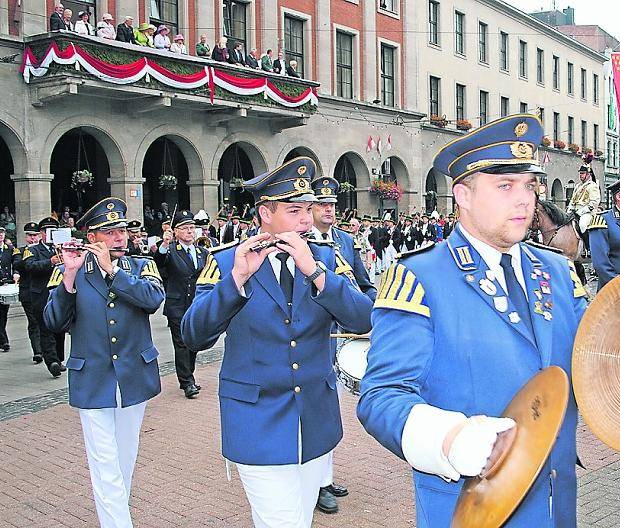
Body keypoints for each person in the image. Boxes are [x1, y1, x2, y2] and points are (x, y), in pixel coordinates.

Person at [358, 114, 588, 527]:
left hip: (556, 505)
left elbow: (593, 355)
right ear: (462, 195)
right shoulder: (421, 276)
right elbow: (381, 396)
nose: (524, 200)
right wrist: (448, 438)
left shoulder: (556, 270)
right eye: (505, 186)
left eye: (529, 185)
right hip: (472, 505)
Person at [182, 157, 373, 528]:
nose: (307, 220)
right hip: (256, 419)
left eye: (309, 209)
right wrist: (236, 280)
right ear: (264, 213)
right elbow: (193, 334)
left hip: (314, 417)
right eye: (295, 210)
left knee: (299, 519)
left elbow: (364, 318)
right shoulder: (226, 262)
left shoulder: (325, 260)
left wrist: (316, 274)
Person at [44, 198, 165, 528]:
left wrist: (112, 273)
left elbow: (152, 300)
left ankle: (116, 515)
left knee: (125, 454)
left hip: (133, 375)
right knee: (104, 460)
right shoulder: (69, 270)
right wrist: (68, 277)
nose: (119, 237)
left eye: (122, 230)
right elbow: (54, 321)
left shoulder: (140, 266)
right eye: (109, 232)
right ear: (91, 237)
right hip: (92, 377)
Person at [306, 176, 377, 513]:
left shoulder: (346, 241)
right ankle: (316, 483)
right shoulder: (300, 242)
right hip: (317, 337)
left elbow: (364, 283)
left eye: (333, 204)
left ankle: (325, 475)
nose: (329, 210)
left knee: (330, 408)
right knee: (315, 406)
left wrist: (371, 314)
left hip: (345, 331)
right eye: (322, 205)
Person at [154, 210, 209, 399]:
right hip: (177, 304)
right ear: (175, 231)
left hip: (197, 304)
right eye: (185, 228)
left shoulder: (203, 252)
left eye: (192, 228)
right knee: (181, 343)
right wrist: (164, 243)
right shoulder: (170, 251)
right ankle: (187, 382)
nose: (190, 231)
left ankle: (189, 375)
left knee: (193, 342)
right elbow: (159, 262)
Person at [20, 217, 68, 376]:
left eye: (53, 231)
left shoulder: (63, 247)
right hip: (41, 294)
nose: (49, 235)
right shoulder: (32, 249)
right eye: (46, 231)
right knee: (45, 328)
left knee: (59, 328)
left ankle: (59, 358)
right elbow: (30, 266)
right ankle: (52, 361)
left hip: (60, 293)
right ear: (41, 233)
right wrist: (50, 261)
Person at [12, 222, 43, 362]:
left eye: (35, 235)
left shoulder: (43, 250)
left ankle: (48, 350)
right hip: (28, 292)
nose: (33, 238)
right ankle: (38, 351)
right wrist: (28, 254)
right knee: (34, 321)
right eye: (30, 236)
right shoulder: (20, 250)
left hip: (42, 292)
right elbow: (17, 264)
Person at [567, 161, 601, 239]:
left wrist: (582, 211)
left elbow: (594, 202)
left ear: (588, 174)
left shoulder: (593, 186)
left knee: (582, 225)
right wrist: (569, 209)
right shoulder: (578, 186)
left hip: (587, 213)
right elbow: (573, 199)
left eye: (582, 173)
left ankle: (588, 246)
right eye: (580, 173)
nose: (580, 175)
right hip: (575, 211)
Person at [0, 228, 13, 352]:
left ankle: (1, 338)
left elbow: (15, 263)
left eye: (2, 233)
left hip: (6, 284)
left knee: (4, 313)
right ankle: (4, 341)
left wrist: (17, 273)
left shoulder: (9, 249)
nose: (0, 235)